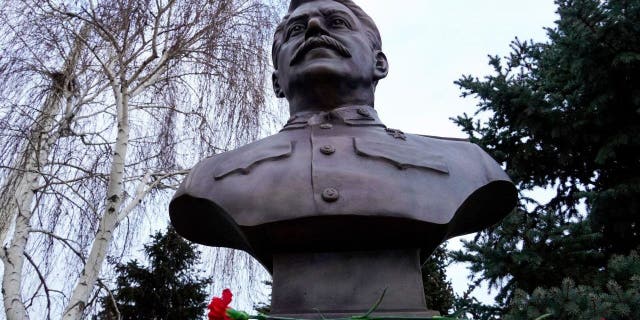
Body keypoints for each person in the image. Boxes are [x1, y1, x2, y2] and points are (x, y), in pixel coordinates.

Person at [170, 0, 517, 315]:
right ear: (277, 82)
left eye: (337, 23)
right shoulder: (209, 178)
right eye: (296, 30)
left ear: (379, 63)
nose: (314, 29)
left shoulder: (467, 164)